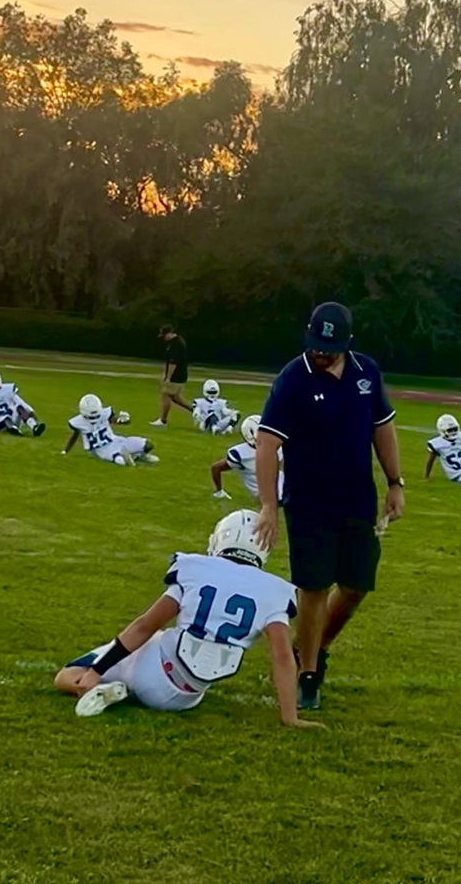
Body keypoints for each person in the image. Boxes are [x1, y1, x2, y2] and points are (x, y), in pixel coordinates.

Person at [254, 301, 404, 712]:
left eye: (329, 346)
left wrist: (395, 482)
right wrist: (268, 505)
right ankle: (307, 672)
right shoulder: (293, 379)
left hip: (357, 497)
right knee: (314, 586)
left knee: (356, 586)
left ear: (347, 343)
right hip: (308, 500)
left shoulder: (366, 373)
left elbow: (383, 428)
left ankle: (313, 648)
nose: (320, 353)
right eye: (316, 344)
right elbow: (267, 444)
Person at [53, 509, 322, 730]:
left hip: (156, 667)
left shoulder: (195, 568)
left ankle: (101, 684)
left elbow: (145, 625)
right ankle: (121, 688)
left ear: (221, 538)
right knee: (167, 651)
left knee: (68, 675)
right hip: (188, 695)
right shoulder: (274, 590)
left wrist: (96, 671)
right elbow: (282, 657)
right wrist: (290, 717)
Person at [61, 393, 159, 465]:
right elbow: (74, 436)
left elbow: (114, 421)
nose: (94, 419)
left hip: (115, 440)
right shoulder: (78, 422)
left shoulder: (105, 413)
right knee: (120, 461)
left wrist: (123, 420)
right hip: (101, 450)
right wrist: (65, 451)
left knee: (148, 445)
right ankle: (132, 456)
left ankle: (139, 456)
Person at [209, 414, 284, 501]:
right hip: (264, 495)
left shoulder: (276, 447)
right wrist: (219, 491)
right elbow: (216, 468)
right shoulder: (241, 454)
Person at [150, 324, 192, 427]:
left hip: (177, 376)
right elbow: (168, 361)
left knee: (165, 395)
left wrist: (168, 378)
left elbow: (173, 363)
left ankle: (163, 420)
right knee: (176, 399)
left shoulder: (176, 345)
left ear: (169, 333)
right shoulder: (173, 343)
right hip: (178, 375)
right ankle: (196, 411)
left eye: (164, 336)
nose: (163, 338)